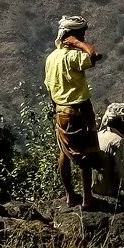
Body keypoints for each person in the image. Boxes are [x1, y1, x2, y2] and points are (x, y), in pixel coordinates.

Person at [45, 14, 104, 209]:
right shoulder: (73, 56)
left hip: (60, 110)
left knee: (64, 153)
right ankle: (88, 199)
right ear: (72, 35)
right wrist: (78, 44)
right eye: (81, 34)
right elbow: (93, 55)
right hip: (77, 110)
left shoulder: (51, 58)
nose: (84, 37)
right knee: (84, 154)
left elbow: (50, 88)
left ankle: (70, 195)